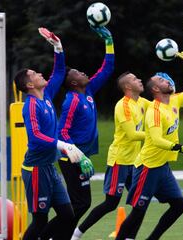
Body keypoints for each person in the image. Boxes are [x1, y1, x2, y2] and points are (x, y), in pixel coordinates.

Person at [116, 51, 183, 240]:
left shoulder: (175, 100)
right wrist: (180, 148)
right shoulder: (154, 111)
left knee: (179, 205)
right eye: (162, 81)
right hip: (148, 166)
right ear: (155, 89)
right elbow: (155, 140)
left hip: (162, 167)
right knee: (138, 212)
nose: (168, 82)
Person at [14, 28, 89, 240]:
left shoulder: (45, 95)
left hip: (48, 167)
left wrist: (58, 47)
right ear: (29, 85)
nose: (40, 74)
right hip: (36, 169)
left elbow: (58, 73)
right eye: (35, 74)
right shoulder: (30, 106)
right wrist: (63, 145)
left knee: (67, 214)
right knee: (40, 220)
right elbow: (36, 136)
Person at [71, 72, 150, 239]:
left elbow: (161, 108)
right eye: (136, 79)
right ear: (128, 87)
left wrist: (172, 94)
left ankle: (129, 237)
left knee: (141, 202)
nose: (140, 79)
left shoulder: (142, 102)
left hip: (135, 162)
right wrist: (156, 136)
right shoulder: (123, 106)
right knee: (111, 203)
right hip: (120, 160)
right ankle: (77, 233)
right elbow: (132, 135)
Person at [57, 25, 115, 225]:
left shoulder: (88, 90)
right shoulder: (71, 100)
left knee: (81, 204)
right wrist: (79, 157)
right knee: (79, 204)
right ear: (73, 83)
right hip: (70, 158)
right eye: (78, 73)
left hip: (82, 156)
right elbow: (61, 132)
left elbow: (107, 69)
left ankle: (59, 235)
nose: (83, 73)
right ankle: (49, 234)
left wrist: (109, 43)